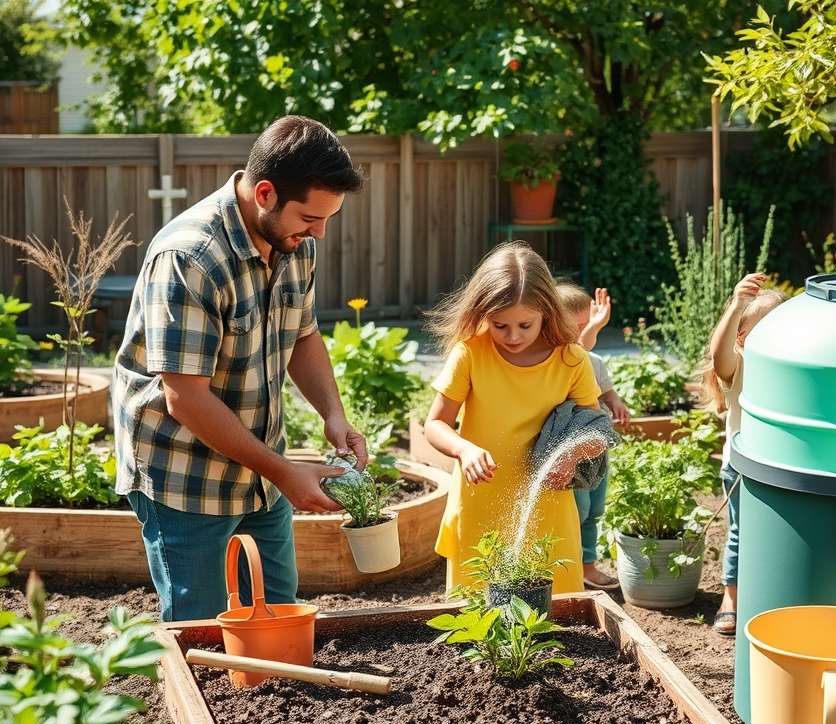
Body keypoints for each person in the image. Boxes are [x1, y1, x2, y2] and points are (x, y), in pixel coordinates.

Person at [113, 115, 369, 622]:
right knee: (202, 625)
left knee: (277, 611)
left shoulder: (296, 243)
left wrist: (333, 414)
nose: (318, 232)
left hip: (261, 465)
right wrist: (285, 472)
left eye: (326, 219)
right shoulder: (191, 257)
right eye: (311, 218)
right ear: (267, 193)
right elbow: (184, 397)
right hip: (184, 472)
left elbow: (304, 334)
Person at [423, 242, 608, 594]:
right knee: (476, 616)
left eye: (525, 324)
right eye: (499, 325)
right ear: (482, 314)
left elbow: (596, 431)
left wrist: (572, 456)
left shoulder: (571, 359)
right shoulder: (470, 353)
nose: (512, 336)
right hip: (481, 501)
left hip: (548, 506)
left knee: (554, 617)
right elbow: (435, 425)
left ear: (547, 312)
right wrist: (464, 450)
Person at [701, 273, 787, 635]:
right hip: (742, 469)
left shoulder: (793, 367)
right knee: (741, 533)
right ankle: (731, 599)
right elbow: (718, 355)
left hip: (783, 469)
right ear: (741, 337)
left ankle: (772, 596)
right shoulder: (740, 363)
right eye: (764, 329)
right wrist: (736, 306)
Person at [556, 281, 630, 590]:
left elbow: (607, 391)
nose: (584, 333)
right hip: (569, 445)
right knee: (579, 508)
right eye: (578, 327)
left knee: (595, 509)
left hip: (596, 444)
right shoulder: (558, 360)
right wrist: (595, 326)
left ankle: (587, 566)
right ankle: (571, 565)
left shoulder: (594, 362)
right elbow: (576, 350)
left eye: (587, 325)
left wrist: (615, 402)